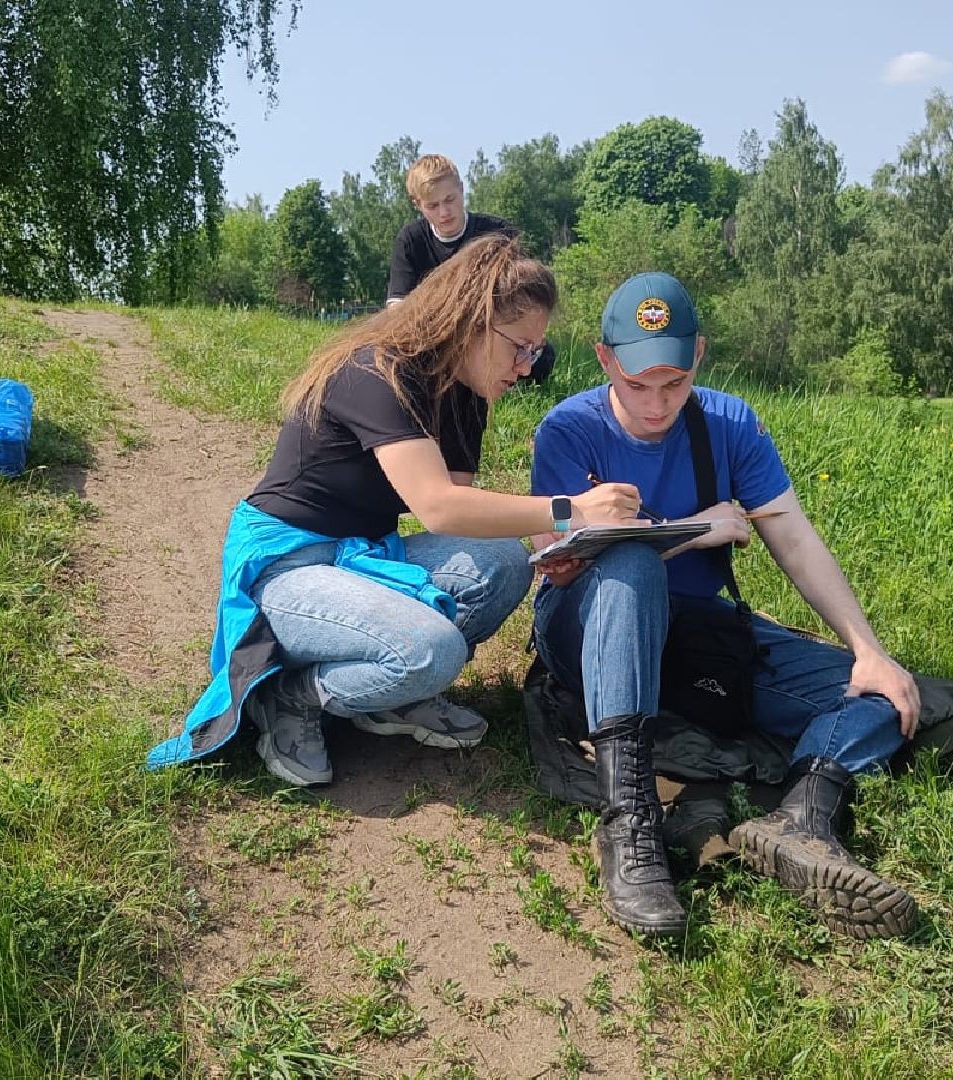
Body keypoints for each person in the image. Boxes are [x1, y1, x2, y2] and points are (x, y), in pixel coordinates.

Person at [146, 235, 639, 786]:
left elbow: (464, 513)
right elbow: (438, 507)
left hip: (363, 553)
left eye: (535, 352)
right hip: (287, 566)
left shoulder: (468, 391)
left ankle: (390, 697)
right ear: (473, 320)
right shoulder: (376, 371)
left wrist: (560, 543)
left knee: (501, 562)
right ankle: (289, 697)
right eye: (520, 347)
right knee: (432, 649)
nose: (527, 367)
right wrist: (571, 512)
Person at [527, 272, 924, 941]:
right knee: (627, 563)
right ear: (604, 361)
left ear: (699, 358)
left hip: (694, 638)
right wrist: (693, 532)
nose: (657, 405)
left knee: (891, 695)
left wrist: (868, 648)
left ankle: (803, 817)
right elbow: (556, 560)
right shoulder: (568, 429)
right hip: (587, 630)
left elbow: (794, 537)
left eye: (674, 385)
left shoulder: (731, 423)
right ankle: (630, 827)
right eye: (636, 385)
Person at [386, 155, 555, 386]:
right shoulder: (410, 240)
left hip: (493, 333)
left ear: (462, 190)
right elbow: (397, 311)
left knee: (542, 359)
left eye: (450, 199)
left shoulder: (499, 233)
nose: (444, 212)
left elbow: (527, 297)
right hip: (438, 339)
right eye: (433, 206)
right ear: (417, 204)